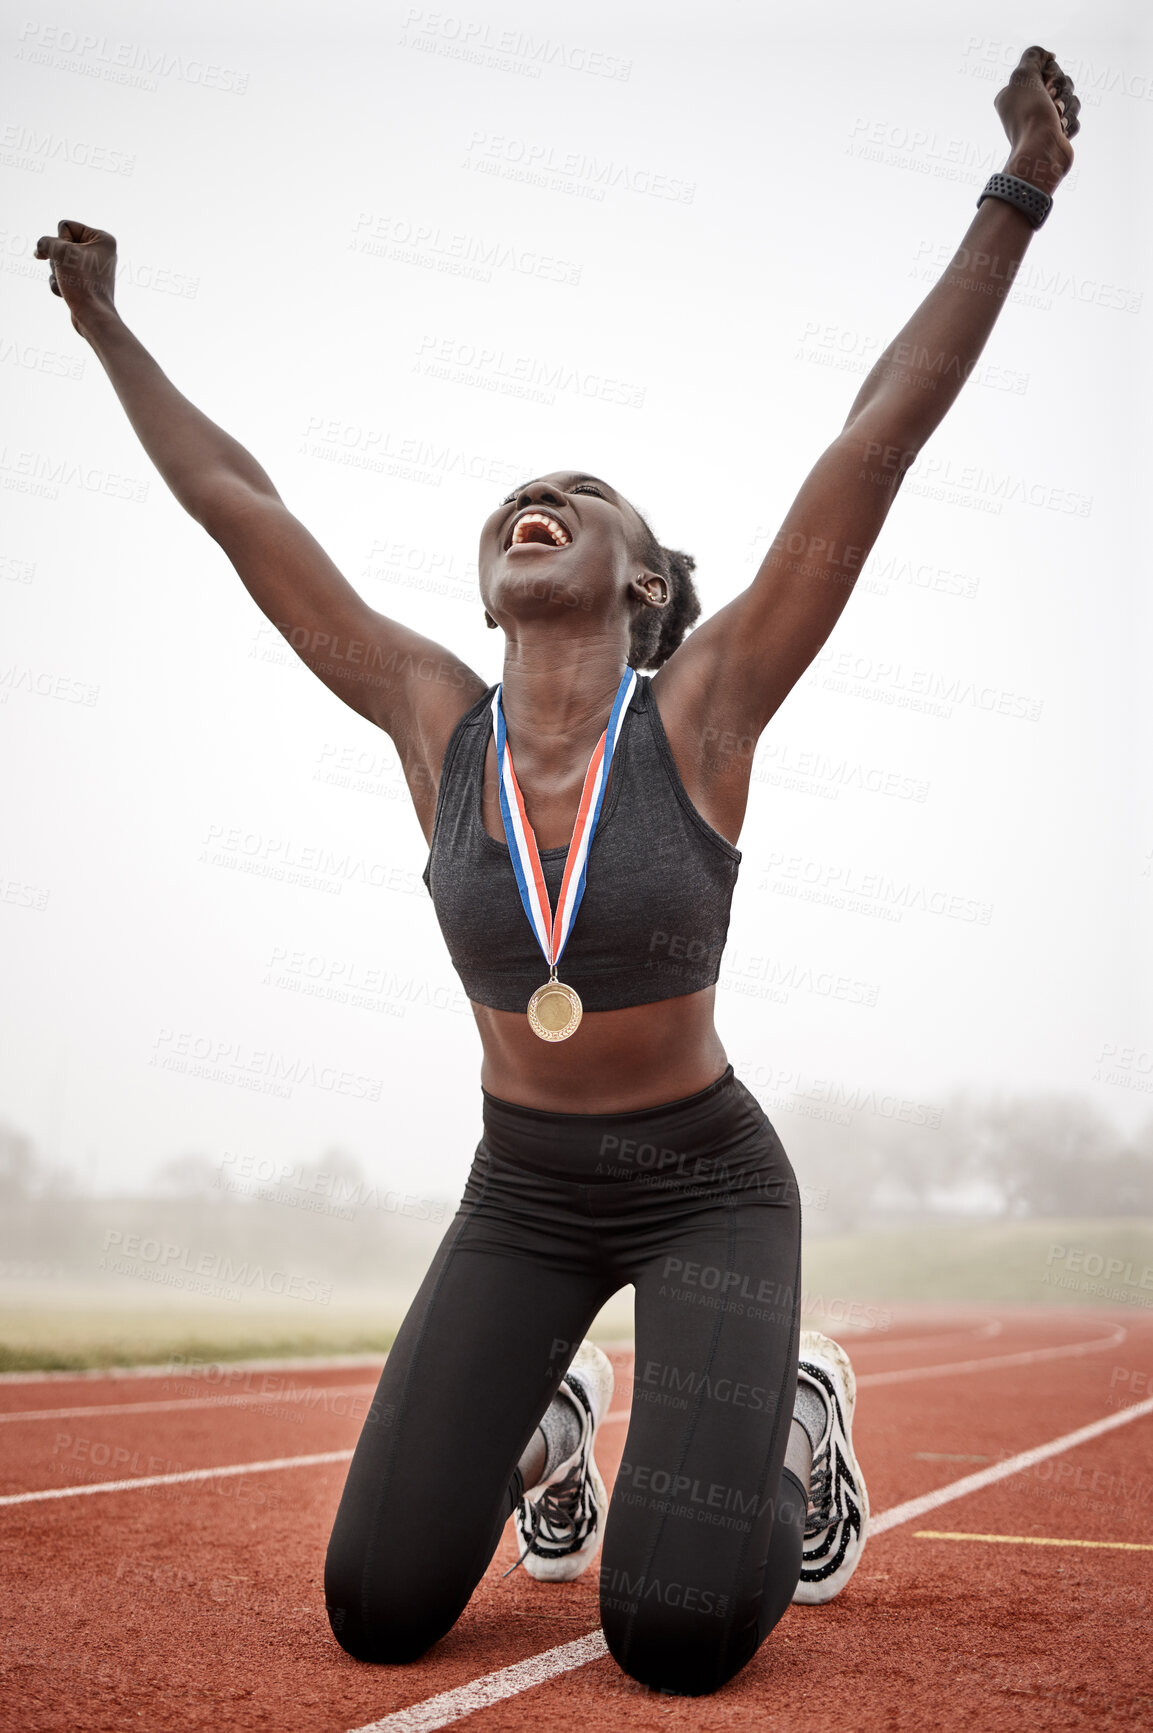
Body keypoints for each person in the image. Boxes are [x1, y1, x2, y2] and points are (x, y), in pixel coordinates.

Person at [34, 44, 1079, 1697]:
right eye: (519, 489)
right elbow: (240, 504)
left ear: (647, 586)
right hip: (521, 1187)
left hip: (704, 1184)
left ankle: (789, 1428)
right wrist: (106, 331)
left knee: (667, 1634)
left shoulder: (707, 713)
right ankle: (554, 1417)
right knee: (374, 1608)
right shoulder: (428, 717)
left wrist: (1013, 195)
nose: (537, 493)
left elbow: (873, 440)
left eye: (580, 492)